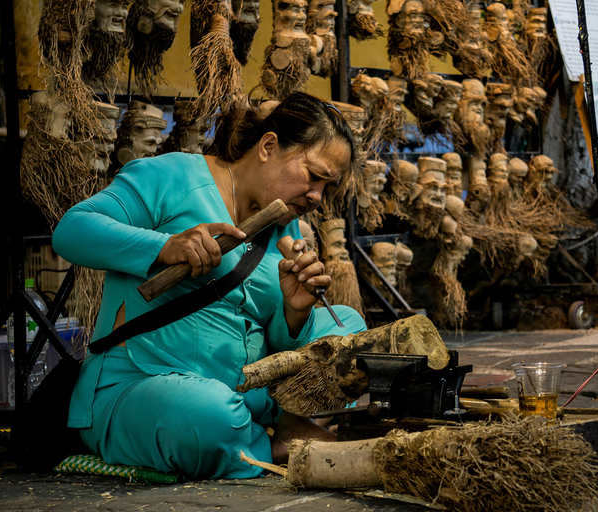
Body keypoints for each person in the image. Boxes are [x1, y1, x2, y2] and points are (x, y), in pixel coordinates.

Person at [52, 92, 366, 480]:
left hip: (247, 393)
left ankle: (267, 427)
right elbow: (72, 230)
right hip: (146, 389)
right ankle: (275, 441)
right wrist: (165, 246)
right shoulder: (172, 176)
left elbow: (280, 345)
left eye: (327, 186)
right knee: (208, 415)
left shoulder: (287, 228)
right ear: (268, 146)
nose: (317, 196)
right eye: (313, 176)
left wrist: (295, 311)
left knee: (349, 328)